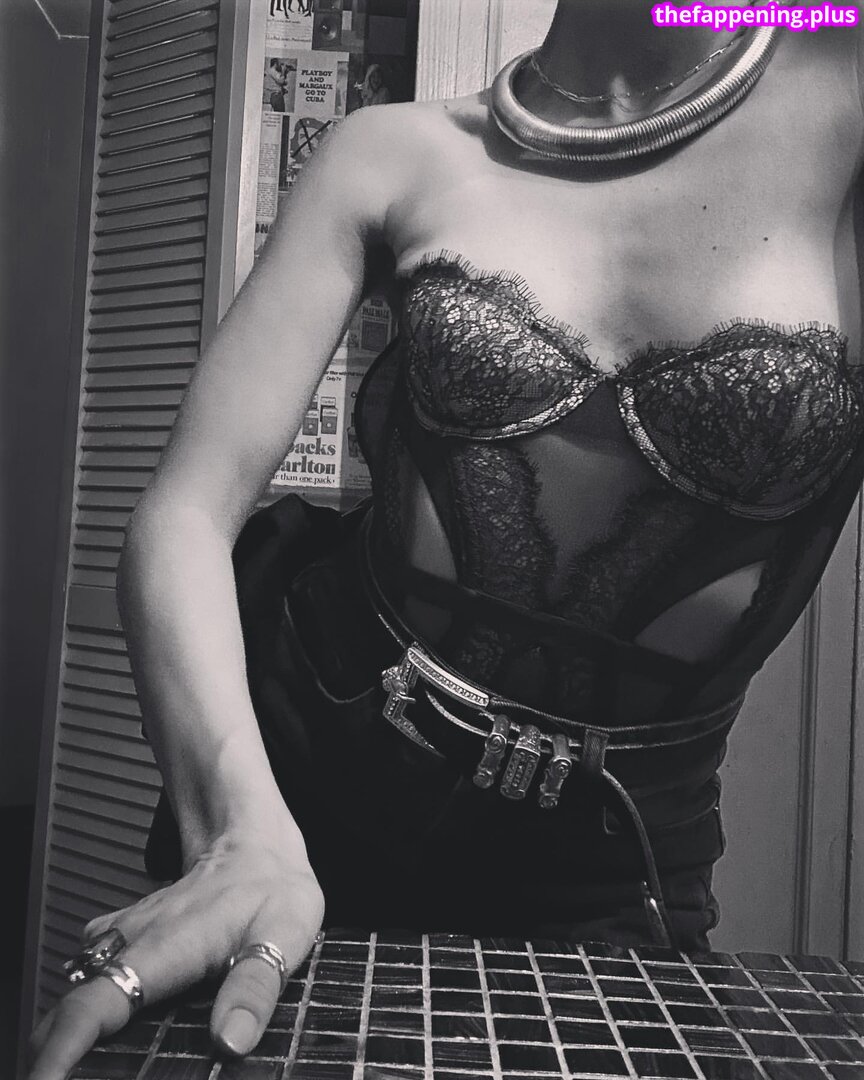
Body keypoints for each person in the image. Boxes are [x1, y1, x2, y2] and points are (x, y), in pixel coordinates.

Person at [27, 1, 864, 1078]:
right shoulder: (388, 152)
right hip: (322, 758)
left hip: (618, 848)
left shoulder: (845, 84)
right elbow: (185, 512)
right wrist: (237, 830)